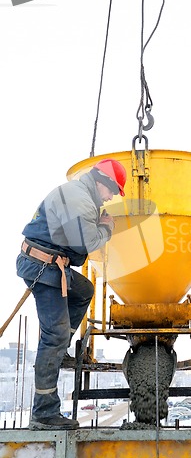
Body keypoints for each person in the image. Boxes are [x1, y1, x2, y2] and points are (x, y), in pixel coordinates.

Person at [16, 158, 126, 431]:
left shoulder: (82, 197)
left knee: (84, 290)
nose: (112, 197)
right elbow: (85, 246)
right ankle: (43, 413)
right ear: (102, 182)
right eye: (112, 191)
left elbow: (76, 253)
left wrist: (94, 225)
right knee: (53, 334)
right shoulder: (81, 200)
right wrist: (107, 228)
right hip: (44, 266)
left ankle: (60, 348)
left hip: (53, 264)